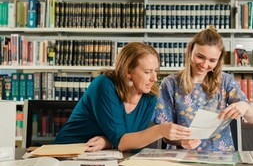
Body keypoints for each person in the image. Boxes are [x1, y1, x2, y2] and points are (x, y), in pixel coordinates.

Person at [55, 42, 191, 152]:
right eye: (147, 72)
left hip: (104, 156)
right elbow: (122, 141)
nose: (154, 78)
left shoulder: (149, 96)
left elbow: (132, 142)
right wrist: (161, 130)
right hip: (69, 150)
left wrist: (108, 142)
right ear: (128, 72)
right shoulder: (105, 85)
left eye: (156, 71)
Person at [152, 26, 253, 151]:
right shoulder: (170, 84)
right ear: (190, 50)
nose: (204, 65)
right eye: (200, 57)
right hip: (182, 157)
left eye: (212, 60)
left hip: (221, 156)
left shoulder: (226, 82)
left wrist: (245, 107)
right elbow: (165, 133)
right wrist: (181, 141)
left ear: (219, 61)